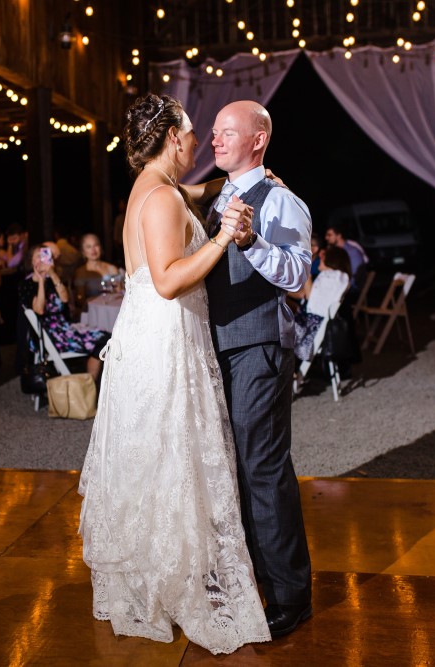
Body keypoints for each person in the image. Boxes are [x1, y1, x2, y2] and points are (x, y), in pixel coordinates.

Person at [78, 93, 270, 655]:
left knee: (155, 457)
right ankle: (178, 583)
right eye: (189, 133)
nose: (196, 143)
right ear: (171, 138)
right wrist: (219, 237)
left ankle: (155, 577)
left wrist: (238, 184)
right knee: (175, 451)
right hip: (164, 338)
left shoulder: (153, 189)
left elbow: (196, 193)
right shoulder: (160, 199)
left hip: (145, 336)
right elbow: (167, 279)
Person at [199, 100, 314, 639]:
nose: (214, 140)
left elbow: (296, 276)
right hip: (218, 348)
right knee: (231, 469)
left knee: (264, 471)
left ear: (259, 139)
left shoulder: (282, 201)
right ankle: (250, 581)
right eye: (214, 132)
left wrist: (250, 240)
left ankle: (291, 595)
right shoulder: (218, 195)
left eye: (227, 132)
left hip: (259, 349)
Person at [20, 245, 109, 383]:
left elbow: (65, 299)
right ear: (31, 262)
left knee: (106, 339)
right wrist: (41, 281)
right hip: (48, 335)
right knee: (101, 342)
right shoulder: (27, 284)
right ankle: (88, 388)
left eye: (45, 255)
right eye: (39, 256)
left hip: (65, 328)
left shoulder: (53, 279)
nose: (43, 259)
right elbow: (40, 309)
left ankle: (89, 386)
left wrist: (52, 274)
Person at [291, 245, 352, 362]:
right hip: (316, 324)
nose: (320, 258)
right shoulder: (338, 277)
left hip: (310, 327)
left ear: (332, 259)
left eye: (323, 256)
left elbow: (310, 298)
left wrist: (306, 270)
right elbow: (308, 297)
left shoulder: (332, 276)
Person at [72, 233, 122, 303]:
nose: (93, 250)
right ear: (83, 252)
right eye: (89, 247)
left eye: (96, 245)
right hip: (93, 310)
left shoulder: (112, 268)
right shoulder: (80, 272)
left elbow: (119, 294)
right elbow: (80, 299)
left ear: (100, 248)